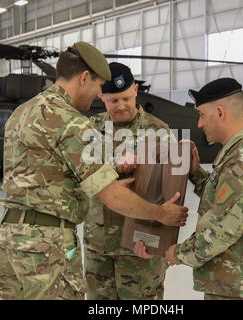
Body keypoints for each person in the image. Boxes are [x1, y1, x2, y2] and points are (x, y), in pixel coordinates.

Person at [0, 42, 188, 300]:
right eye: (100, 88)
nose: (99, 96)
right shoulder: (74, 123)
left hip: (9, 240)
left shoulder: (22, 112)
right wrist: (161, 214)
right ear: (85, 77)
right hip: (46, 245)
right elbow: (113, 197)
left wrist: (114, 167)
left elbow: (49, 170)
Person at [136, 77, 243, 300]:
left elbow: (220, 233)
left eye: (202, 115)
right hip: (236, 285)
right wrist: (196, 173)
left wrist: (176, 253)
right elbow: (223, 205)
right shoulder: (238, 154)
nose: (199, 124)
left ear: (220, 113)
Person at [84, 62, 172, 300]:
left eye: (125, 98)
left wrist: (160, 243)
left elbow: (172, 192)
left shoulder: (159, 131)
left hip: (140, 247)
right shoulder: (91, 129)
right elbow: (77, 178)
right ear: (102, 97)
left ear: (135, 91)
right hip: (97, 246)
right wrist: (113, 166)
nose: (121, 106)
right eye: (114, 101)